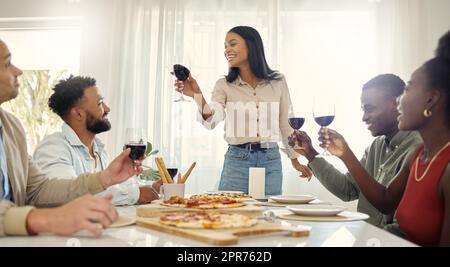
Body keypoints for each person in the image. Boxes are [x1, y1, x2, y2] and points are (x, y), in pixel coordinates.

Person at [314, 30, 450, 246]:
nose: (399, 102)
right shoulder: (416, 157)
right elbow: (384, 202)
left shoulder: (440, 163)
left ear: (431, 99)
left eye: (408, 88)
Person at [0, 38, 142, 237]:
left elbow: (39, 190)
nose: (18, 71)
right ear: (78, 113)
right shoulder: (54, 146)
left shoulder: (11, 127)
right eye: (7, 63)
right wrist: (45, 219)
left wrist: (105, 178)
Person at [174, 26, 312, 195]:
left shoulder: (277, 81)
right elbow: (212, 120)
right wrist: (197, 95)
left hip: (271, 160)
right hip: (237, 160)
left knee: (268, 214)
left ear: (251, 46)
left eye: (232, 44)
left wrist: (294, 160)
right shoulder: (224, 84)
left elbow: (286, 123)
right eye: (225, 46)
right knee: (231, 214)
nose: (227, 50)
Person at [289, 74, 422, 228]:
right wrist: (311, 154)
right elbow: (348, 190)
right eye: (363, 109)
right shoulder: (376, 146)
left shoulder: (419, 149)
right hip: (366, 236)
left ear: (395, 104)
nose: (364, 118)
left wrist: (347, 155)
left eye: (369, 109)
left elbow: (392, 210)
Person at [33, 76, 161, 205]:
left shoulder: (99, 150)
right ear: (78, 114)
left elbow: (109, 187)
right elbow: (68, 195)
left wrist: (152, 186)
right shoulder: (54, 148)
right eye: (100, 103)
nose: (107, 109)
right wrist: (135, 194)